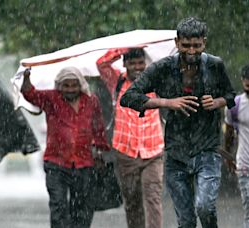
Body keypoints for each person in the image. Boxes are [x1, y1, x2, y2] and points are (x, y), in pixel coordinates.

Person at [120, 17, 236, 228]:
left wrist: (217, 101)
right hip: (176, 152)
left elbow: (230, 95)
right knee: (186, 219)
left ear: (204, 43)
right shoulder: (162, 68)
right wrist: (167, 102)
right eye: (186, 45)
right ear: (177, 43)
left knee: (204, 207)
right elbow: (128, 97)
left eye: (196, 45)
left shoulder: (215, 65)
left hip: (208, 149)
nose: (191, 50)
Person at [21, 66, 110, 228]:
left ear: (81, 85)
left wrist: (99, 151)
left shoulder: (91, 101)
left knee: (82, 209)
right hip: (56, 164)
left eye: (74, 85)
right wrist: (26, 77)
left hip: (84, 164)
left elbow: (98, 128)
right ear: (59, 86)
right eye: (66, 86)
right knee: (58, 207)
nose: (70, 89)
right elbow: (29, 94)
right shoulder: (51, 99)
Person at [96, 48, 164, 228]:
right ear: (124, 64)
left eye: (140, 63)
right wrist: (124, 48)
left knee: (153, 198)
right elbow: (101, 64)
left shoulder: (156, 81)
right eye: (132, 63)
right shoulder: (116, 81)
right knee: (132, 202)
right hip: (126, 153)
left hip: (153, 152)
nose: (137, 67)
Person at [224, 62, 249, 228]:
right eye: (248, 85)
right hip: (246, 166)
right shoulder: (235, 105)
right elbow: (228, 133)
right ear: (243, 81)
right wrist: (228, 156)